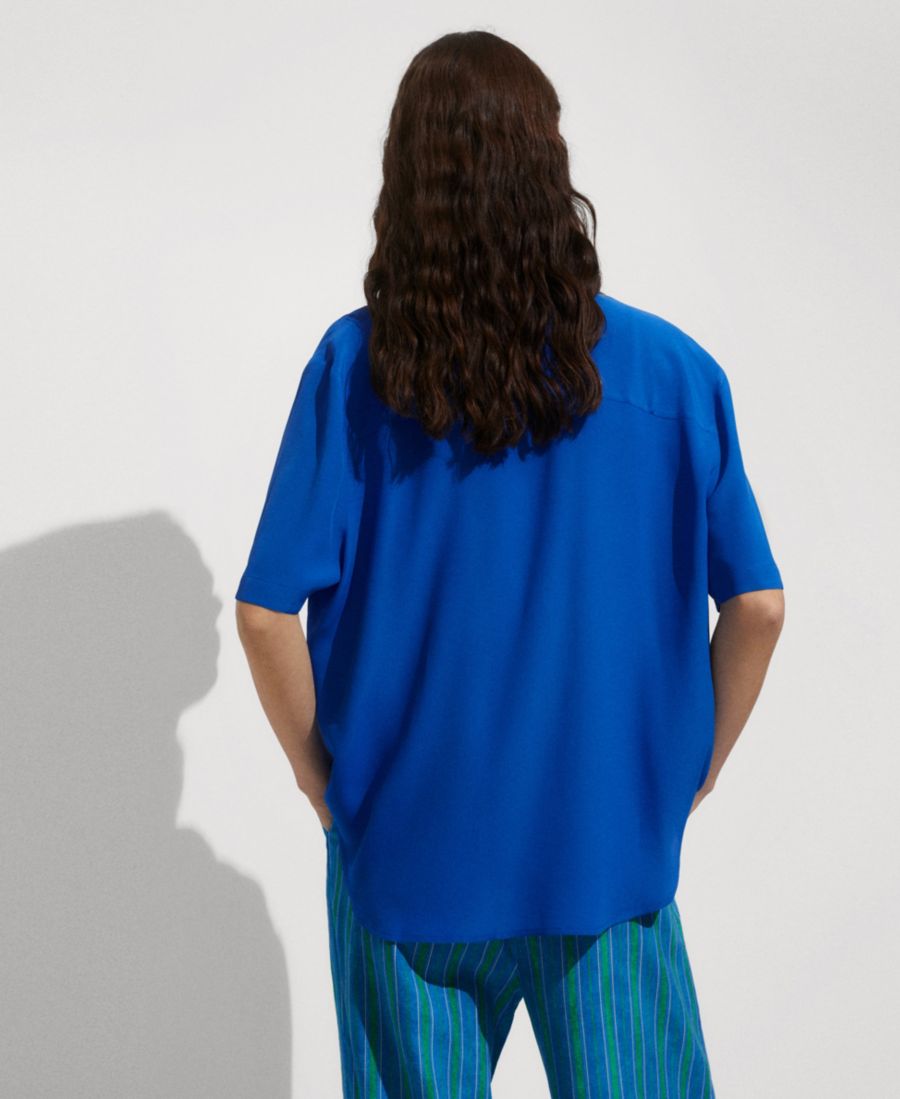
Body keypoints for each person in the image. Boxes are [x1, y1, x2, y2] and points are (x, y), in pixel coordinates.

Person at [235, 29, 785, 1099]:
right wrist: (691, 767)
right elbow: (757, 607)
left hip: (410, 852)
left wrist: (326, 788)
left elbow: (265, 616)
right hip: (605, 848)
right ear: (551, 168)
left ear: (407, 180)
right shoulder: (674, 376)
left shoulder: (355, 371)